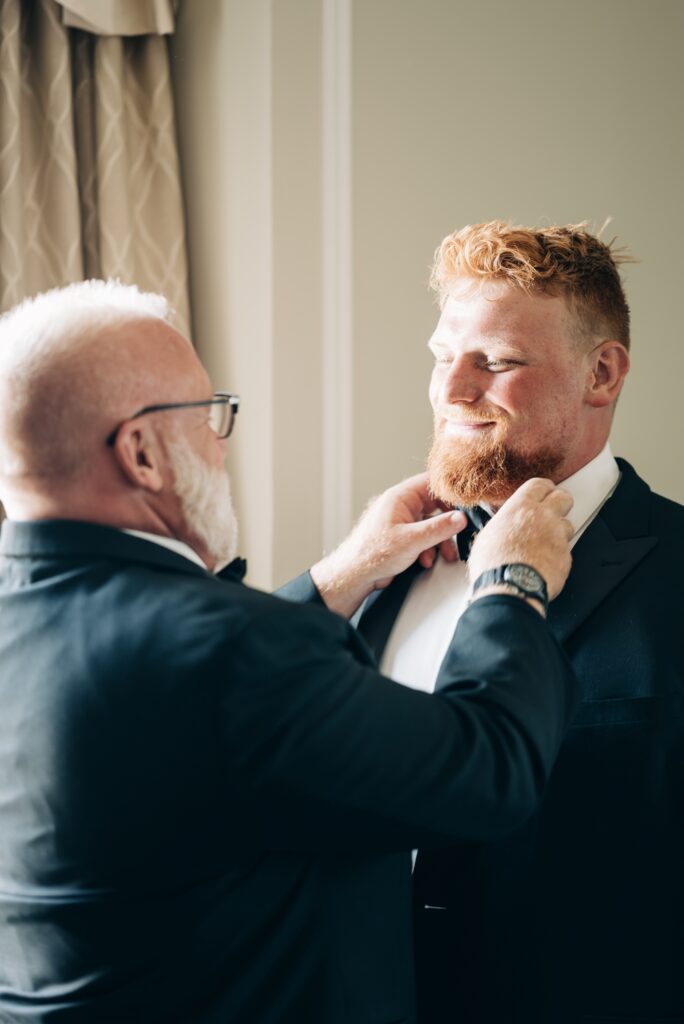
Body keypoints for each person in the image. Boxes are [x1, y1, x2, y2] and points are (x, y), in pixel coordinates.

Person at [0, 281, 577, 1024]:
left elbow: (199, 709)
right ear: (140, 452)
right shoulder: (231, 652)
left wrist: (337, 580)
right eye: (208, 416)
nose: (220, 442)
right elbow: (490, 770)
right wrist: (512, 579)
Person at [355, 221, 684, 1024]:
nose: (451, 391)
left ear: (601, 374)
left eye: (493, 362)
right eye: (443, 357)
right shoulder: (383, 565)